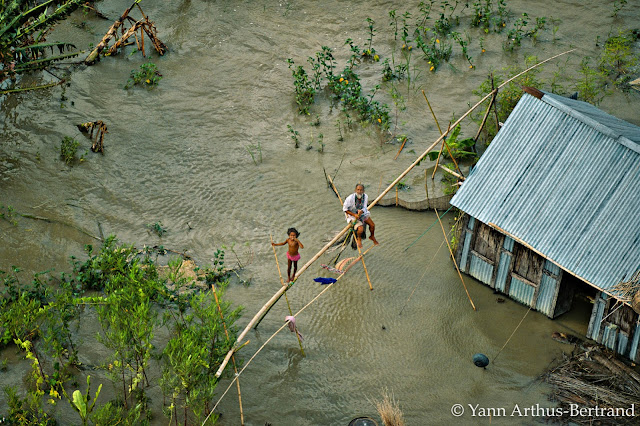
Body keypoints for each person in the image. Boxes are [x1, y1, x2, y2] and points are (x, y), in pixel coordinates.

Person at [343, 183, 378, 248]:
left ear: (363, 191)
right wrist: (354, 214)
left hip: (361, 214)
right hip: (352, 215)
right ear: (355, 190)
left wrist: (361, 211)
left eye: (361, 190)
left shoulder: (365, 196)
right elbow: (345, 209)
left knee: (372, 225)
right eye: (358, 190)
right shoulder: (350, 198)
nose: (359, 192)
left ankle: (372, 236)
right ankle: (359, 238)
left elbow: (365, 207)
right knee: (360, 229)